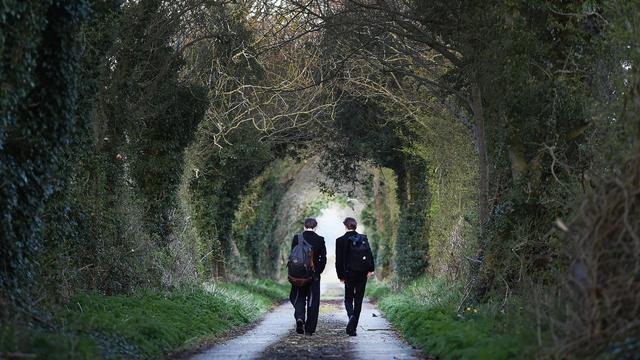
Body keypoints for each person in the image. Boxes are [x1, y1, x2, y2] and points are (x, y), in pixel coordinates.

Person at [335, 217, 375, 336]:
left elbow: (339, 260)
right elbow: (369, 253)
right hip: (362, 273)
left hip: (348, 274)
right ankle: (353, 328)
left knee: (348, 298)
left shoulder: (340, 240)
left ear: (345, 226)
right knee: (358, 300)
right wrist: (370, 269)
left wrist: (340, 275)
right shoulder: (363, 238)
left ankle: (351, 316)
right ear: (355, 226)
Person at [289, 218, 326, 335]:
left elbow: (293, 255)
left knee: (298, 296)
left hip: (298, 275)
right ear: (315, 227)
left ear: (304, 226)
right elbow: (323, 258)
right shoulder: (320, 240)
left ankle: (300, 317)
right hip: (313, 275)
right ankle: (309, 329)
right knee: (312, 301)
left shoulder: (297, 238)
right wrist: (317, 271)